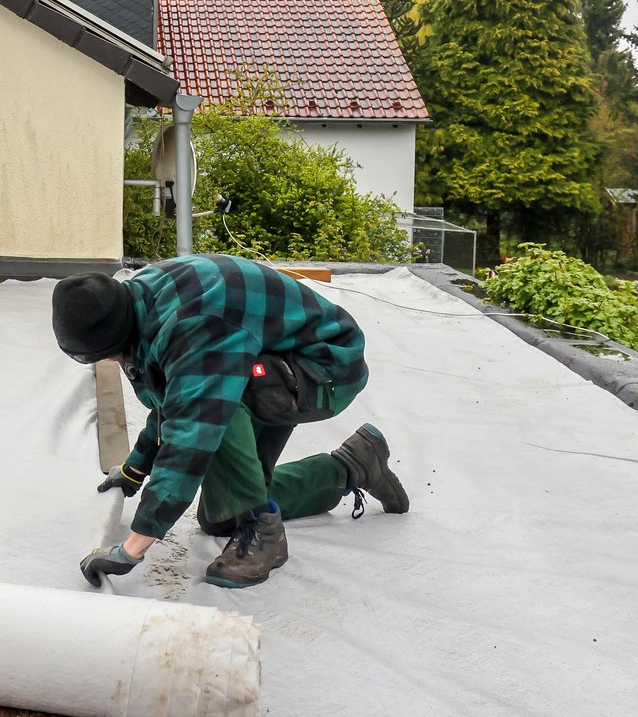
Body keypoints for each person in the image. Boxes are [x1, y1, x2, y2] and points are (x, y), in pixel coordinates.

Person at [52, 253, 409, 590]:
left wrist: (131, 548)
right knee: (220, 516)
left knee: (218, 400)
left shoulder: (195, 327)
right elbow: (172, 397)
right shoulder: (137, 301)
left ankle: (265, 536)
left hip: (327, 366)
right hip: (278, 360)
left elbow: (191, 430)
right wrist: (136, 467)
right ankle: (352, 467)